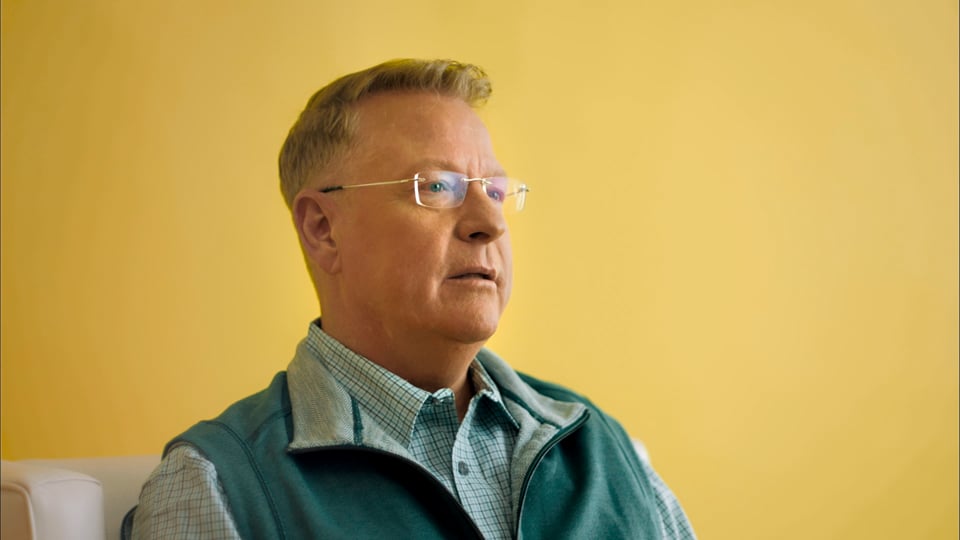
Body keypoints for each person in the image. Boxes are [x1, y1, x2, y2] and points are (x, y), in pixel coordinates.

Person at [128, 58, 696, 539]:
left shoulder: (603, 446)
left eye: (494, 190)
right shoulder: (217, 486)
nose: (490, 223)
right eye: (439, 187)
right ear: (324, 229)